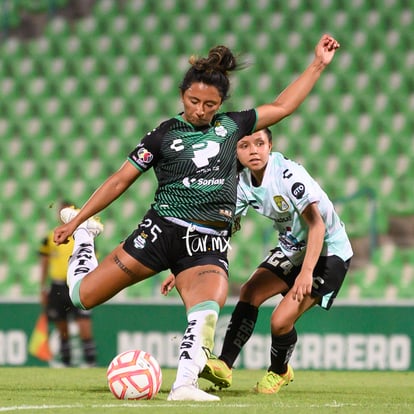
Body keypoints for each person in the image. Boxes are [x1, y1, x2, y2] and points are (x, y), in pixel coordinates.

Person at [53, 34, 340, 401]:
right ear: (182, 94)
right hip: (159, 232)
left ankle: (184, 385)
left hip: (206, 242)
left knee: (208, 305)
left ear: (221, 104)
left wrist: (317, 64)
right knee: (82, 297)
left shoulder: (234, 126)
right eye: (194, 101)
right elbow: (120, 180)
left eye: (210, 104)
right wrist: (76, 223)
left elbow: (283, 106)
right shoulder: (163, 134)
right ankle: (88, 239)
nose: (201, 110)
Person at [192, 128, 352, 393]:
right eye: (244, 145)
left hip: (328, 251)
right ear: (236, 152)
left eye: (259, 143)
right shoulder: (241, 181)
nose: (253, 150)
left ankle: (279, 372)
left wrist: (306, 273)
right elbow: (222, 226)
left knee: (279, 322)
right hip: (293, 248)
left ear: (270, 146)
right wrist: (188, 262)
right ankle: (224, 365)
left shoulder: (288, 176)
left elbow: (317, 226)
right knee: (250, 290)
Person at [39, 201, 97, 367]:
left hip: (79, 283)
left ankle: (91, 363)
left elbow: (93, 261)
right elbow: (44, 262)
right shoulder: (50, 237)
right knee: (62, 330)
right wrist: (43, 287)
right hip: (57, 286)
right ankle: (66, 366)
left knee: (84, 326)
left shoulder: (85, 235)